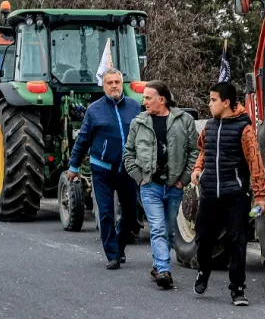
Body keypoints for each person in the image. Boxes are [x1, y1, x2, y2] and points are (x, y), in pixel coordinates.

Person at [191, 82, 265, 306]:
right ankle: (203, 271)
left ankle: (237, 289)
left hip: (234, 195)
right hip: (209, 194)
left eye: (213, 100)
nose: (209, 104)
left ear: (226, 102)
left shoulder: (245, 129)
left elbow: (255, 163)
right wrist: (197, 169)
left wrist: (260, 196)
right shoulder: (209, 126)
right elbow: (205, 151)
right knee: (204, 239)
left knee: (237, 241)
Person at [123, 81, 198, 289]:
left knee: (168, 231)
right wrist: (140, 178)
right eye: (144, 97)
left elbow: (194, 151)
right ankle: (164, 269)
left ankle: (158, 266)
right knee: (157, 228)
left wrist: (183, 180)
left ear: (162, 100)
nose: (144, 101)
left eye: (148, 97)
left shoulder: (184, 121)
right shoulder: (138, 123)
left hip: (175, 186)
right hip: (150, 186)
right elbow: (128, 153)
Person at [67, 68, 140, 270]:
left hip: (127, 169)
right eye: (110, 82)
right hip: (102, 169)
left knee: (131, 214)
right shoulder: (94, 110)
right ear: (103, 85)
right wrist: (73, 166)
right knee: (106, 212)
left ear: (122, 83)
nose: (114, 85)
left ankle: (120, 245)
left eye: (117, 82)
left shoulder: (135, 107)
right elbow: (83, 139)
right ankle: (113, 255)